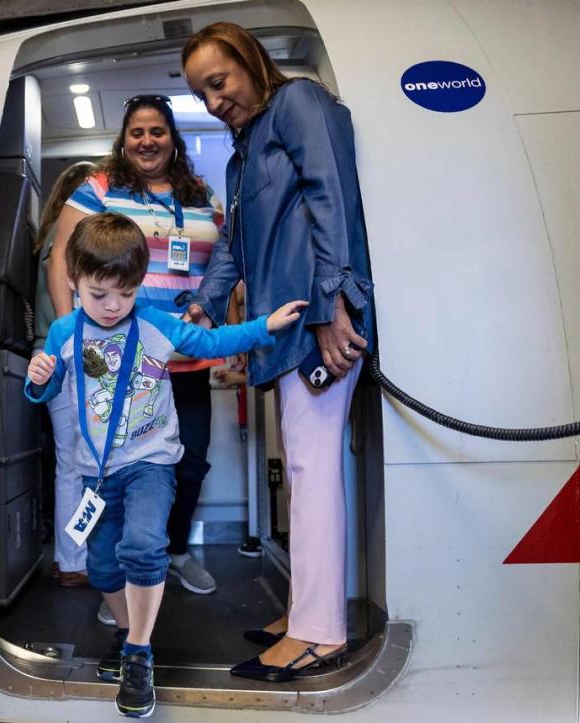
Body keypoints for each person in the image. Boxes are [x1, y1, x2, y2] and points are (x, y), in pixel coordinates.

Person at [24, 212, 305, 718]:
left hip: (152, 462)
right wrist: (39, 375)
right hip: (98, 471)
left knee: (144, 546)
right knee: (102, 564)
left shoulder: (153, 324)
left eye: (125, 294)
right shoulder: (64, 332)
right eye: (98, 294)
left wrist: (265, 326)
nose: (113, 307)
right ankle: (131, 639)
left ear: (138, 285)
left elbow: (212, 343)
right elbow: (43, 390)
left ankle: (137, 653)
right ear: (73, 281)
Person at [181, 22, 376, 682]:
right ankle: (305, 613)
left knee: (313, 468)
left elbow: (333, 196)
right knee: (303, 467)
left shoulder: (298, 105)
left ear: (249, 61)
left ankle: (320, 631)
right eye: (201, 94)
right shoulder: (243, 154)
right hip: (284, 328)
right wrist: (205, 304)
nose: (213, 101)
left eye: (219, 82)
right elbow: (235, 249)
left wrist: (334, 304)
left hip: (316, 318)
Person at [47, 95, 227, 602]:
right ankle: (121, 576)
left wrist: (212, 311)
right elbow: (62, 259)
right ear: (123, 141)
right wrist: (72, 337)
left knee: (188, 460)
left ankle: (171, 553)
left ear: (173, 138)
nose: (147, 141)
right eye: (137, 133)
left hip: (182, 353)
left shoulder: (202, 195)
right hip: (114, 358)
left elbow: (222, 264)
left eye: (157, 131)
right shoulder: (99, 188)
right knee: (119, 468)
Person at [33, 160, 97, 587]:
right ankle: (78, 560)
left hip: (46, 355)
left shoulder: (44, 240)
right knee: (83, 462)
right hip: (72, 357)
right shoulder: (76, 242)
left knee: (68, 462)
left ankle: (71, 558)